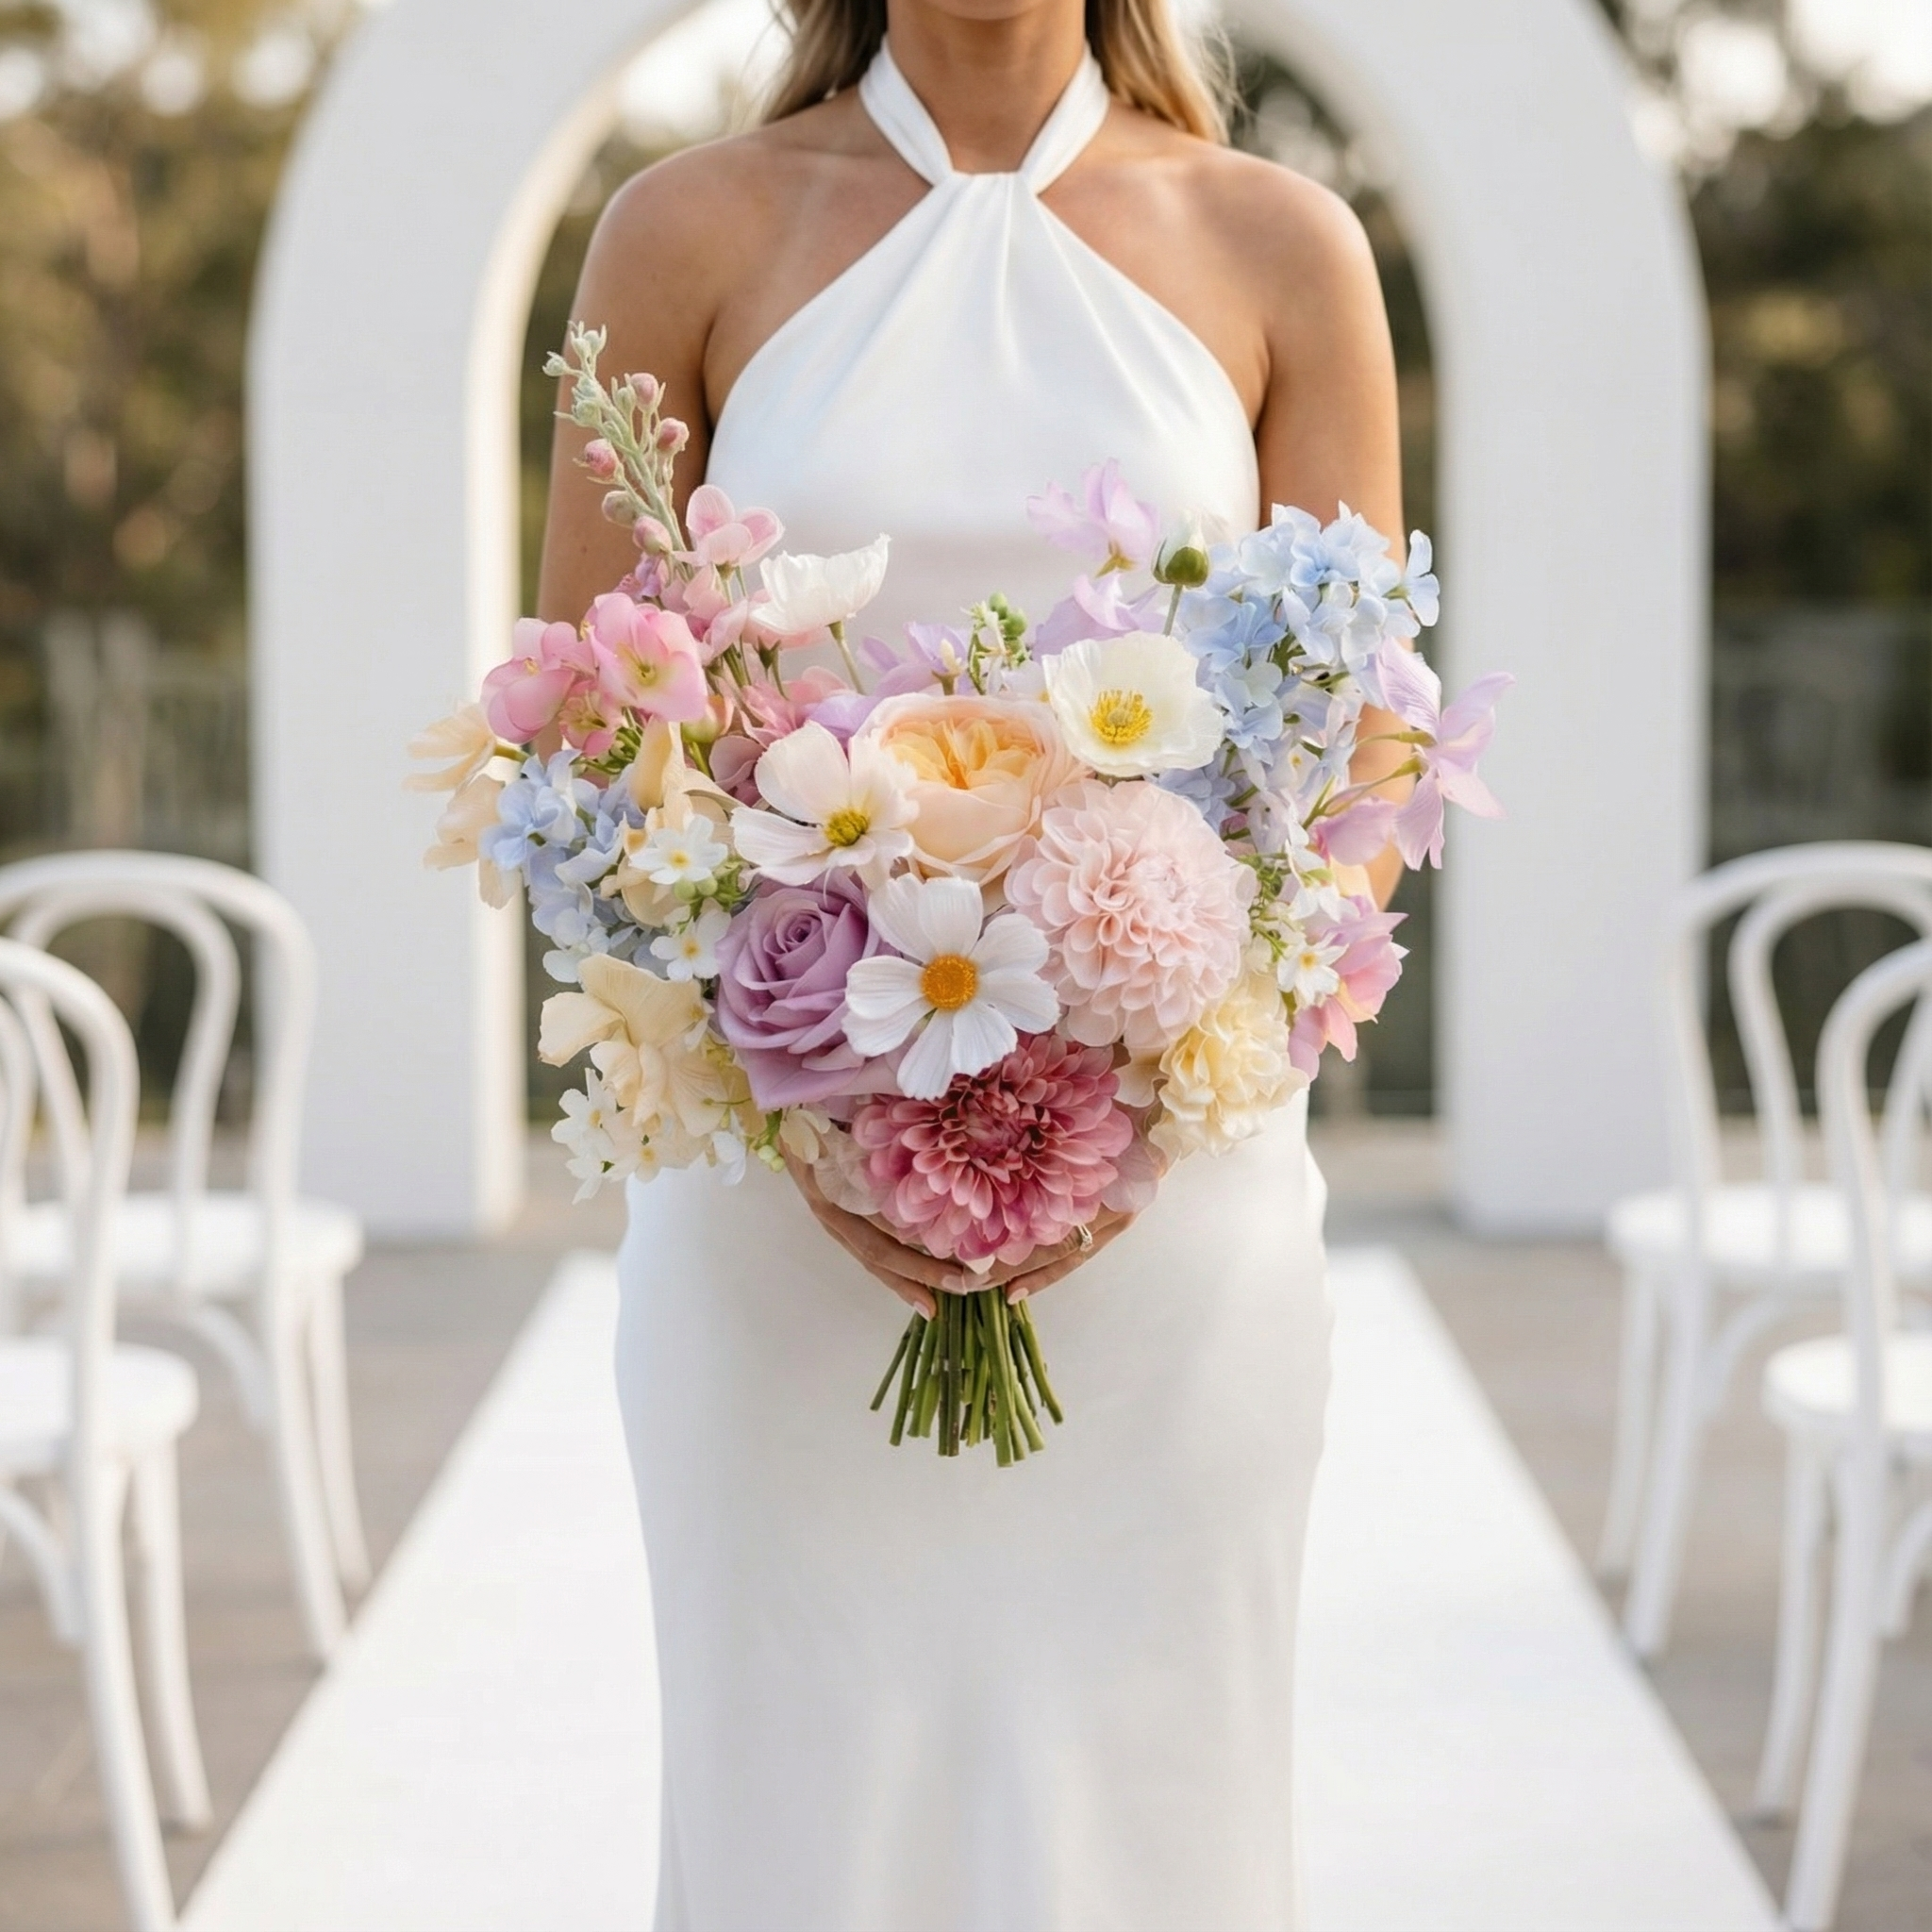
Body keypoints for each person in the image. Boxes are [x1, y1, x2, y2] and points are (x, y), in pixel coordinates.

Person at [536, 1, 1408, 1924]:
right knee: (801, 1809)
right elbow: (592, 739)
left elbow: (1353, 765)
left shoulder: (1282, 244)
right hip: (779, 1204)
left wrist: (1126, 1118)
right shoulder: (687, 227)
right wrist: (823, 1136)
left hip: (1173, 1224)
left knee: (1152, 1822)